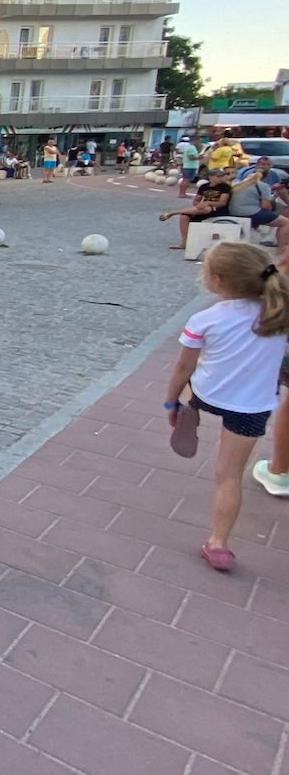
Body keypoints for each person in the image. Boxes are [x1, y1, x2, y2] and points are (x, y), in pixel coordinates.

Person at [164, 241, 289, 571]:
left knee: (196, 383)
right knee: (229, 476)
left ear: (217, 281)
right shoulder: (279, 314)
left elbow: (182, 368)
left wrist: (170, 401)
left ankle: (189, 411)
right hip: (253, 406)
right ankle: (218, 544)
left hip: (208, 393)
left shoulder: (204, 319)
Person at [160, 167, 234, 249]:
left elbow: (222, 203)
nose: (221, 178)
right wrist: (199, 204)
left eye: (222, 176)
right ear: (211, 177)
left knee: (205, 209)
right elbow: (196, 201)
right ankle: (184, 242)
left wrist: (208, 203)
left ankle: (173, 213)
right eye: (219, 176)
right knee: (184, 216)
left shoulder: (225, 187)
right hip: (203, 209)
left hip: (219, 209)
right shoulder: (204, 186)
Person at [229, 157, 289, 243]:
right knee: (285, 222)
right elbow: (265, 206)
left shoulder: (238, 183)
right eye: (263, 164)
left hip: (235, 210)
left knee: (277, 209)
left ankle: (269, 235)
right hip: (251, 212)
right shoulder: (263, 185)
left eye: (268, 164)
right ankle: (282, 247)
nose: (265, 166)